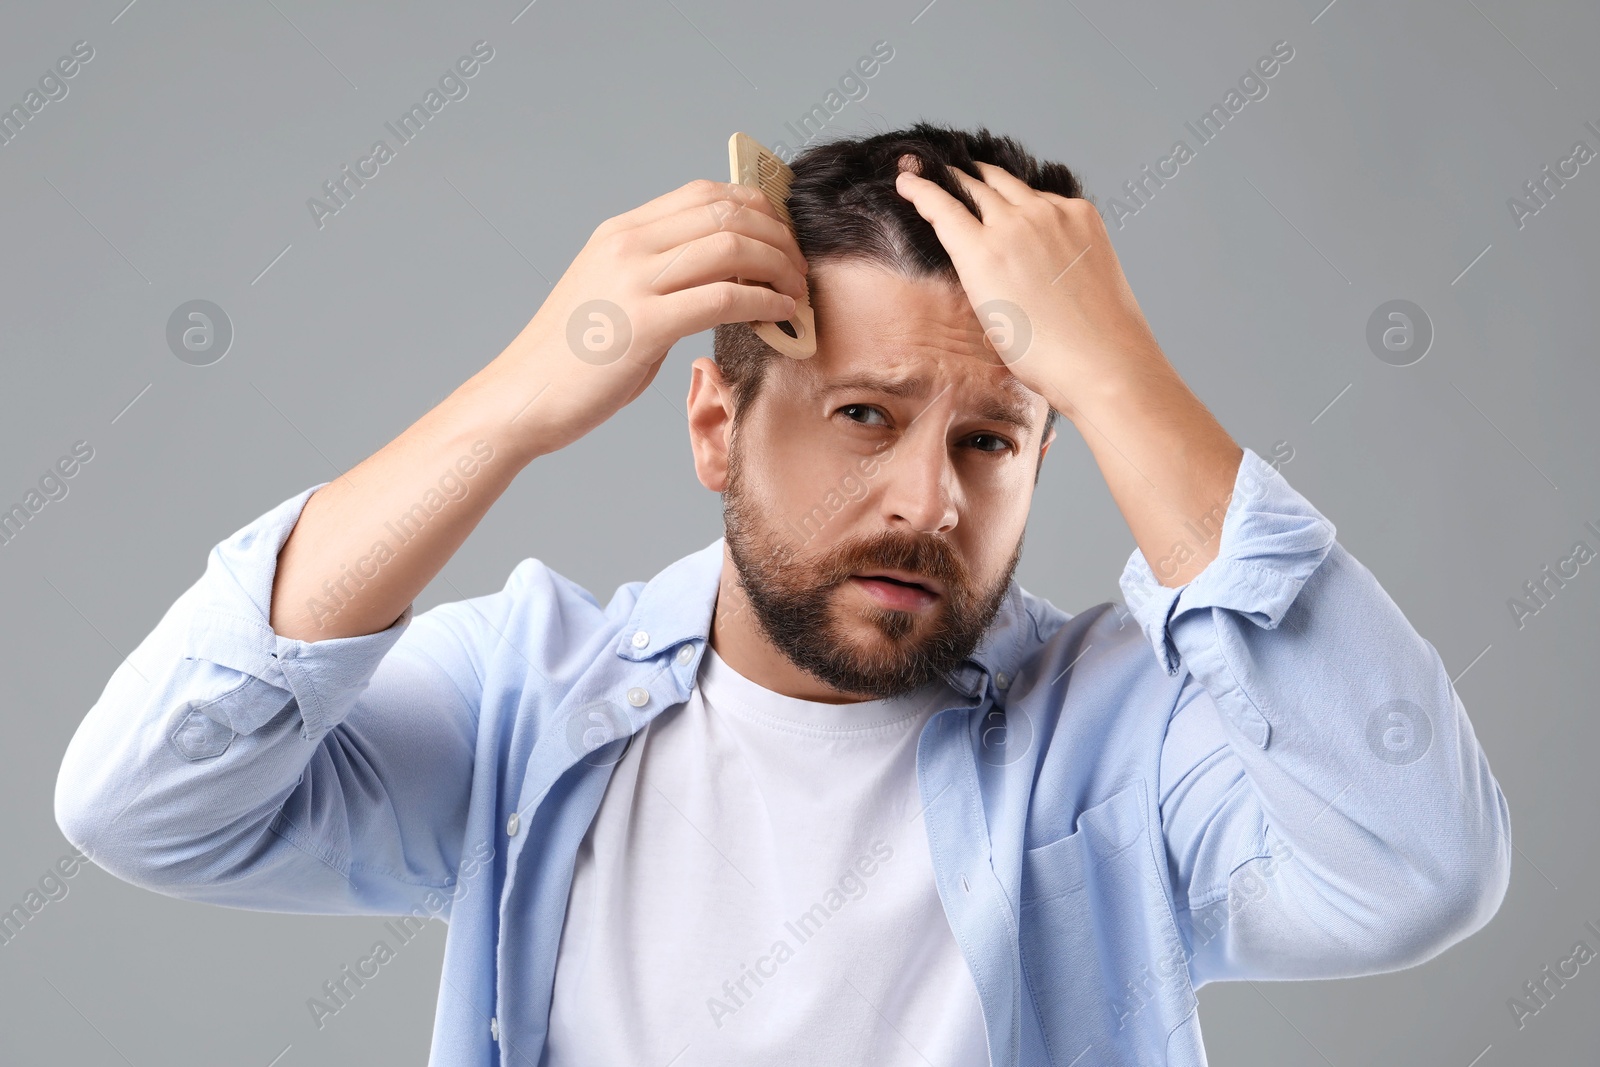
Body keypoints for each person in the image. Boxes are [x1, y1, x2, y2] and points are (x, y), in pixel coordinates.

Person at [55, 122, 1511, 1067]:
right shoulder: (529, 696)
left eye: (992, 439)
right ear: (715, 426)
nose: (929, 501)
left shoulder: (1125, 738)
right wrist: (511, 402)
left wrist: (1121, 378)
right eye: (865, 416)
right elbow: (144, 803)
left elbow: (1420, 867)